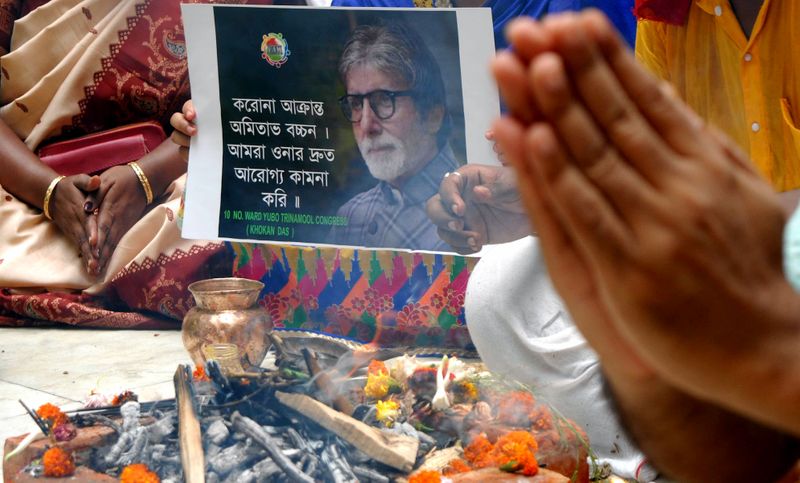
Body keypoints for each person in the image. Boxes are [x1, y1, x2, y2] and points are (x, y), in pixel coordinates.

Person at [492, 11, 800, 482]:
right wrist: (554, 208)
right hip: (707, 277)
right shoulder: (666, 10)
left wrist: (772, 347)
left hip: (755, 277)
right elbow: (637, 177)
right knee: (495, 290)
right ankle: (645, 454)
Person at [0, 0, 267, 328]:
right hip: (20, 184)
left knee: (247, 220)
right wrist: (49, 192)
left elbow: (255, 89)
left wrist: (148, 177)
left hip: (175, 176)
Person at [328, 22, 459, 251]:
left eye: (384, 99)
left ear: (432, 116)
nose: (367, 125)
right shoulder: (349, 216)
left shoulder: (477, 211)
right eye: (356, 104)